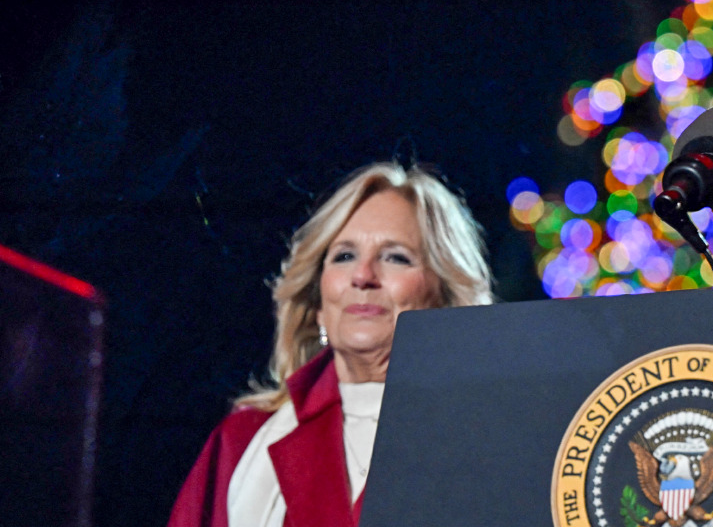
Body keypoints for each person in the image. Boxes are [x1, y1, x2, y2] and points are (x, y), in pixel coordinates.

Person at [168, 162, 494, 527]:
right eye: (344, 256)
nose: (363, 275)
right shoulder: (240, 443)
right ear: (319, 305)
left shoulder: (491, 445)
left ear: (445, 300)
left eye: (395, 257)